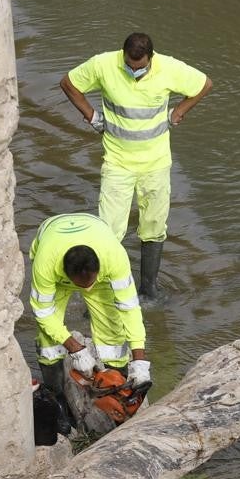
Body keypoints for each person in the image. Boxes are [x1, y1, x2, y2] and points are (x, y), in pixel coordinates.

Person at [59, 32, 213, 300]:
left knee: (154, 225)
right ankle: (107, 292)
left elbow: (204, 84)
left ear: (150, 59)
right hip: (117, 162)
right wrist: (93, 117)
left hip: (155, 163)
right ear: (123, 55)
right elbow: (69, 83)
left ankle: (149, 289)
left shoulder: (169, 68)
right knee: (108, 230)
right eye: (129, 65)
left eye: (139, 67)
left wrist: (179, 111)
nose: (133, 70)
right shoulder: (103, 65)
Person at [28, 213, 150, 396]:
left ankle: (117, 389)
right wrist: (75, 349)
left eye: (91, 282)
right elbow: (43, 312)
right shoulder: (45, 263)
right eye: (82, 285)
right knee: (48, 343)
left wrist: (140, 361)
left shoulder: (114, 257)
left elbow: (129, 308)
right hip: (52, 236)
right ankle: (56, 397)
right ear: (66, 275)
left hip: (97, 234)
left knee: (113, 332)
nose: (88, 288)